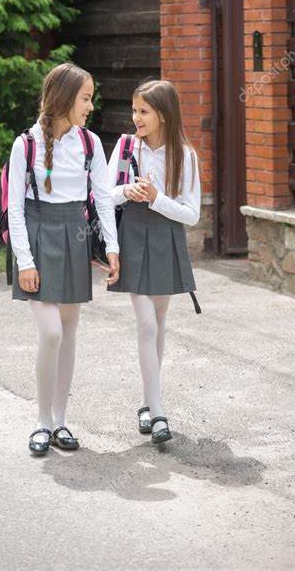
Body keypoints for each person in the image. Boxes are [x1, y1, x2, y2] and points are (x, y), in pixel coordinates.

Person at [8, 63, 120, 456]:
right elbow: (15, 208)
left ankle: (60, 421)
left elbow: (103, 197)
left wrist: (112, 246)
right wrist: (24, 260)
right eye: (86, 98)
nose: (90, 106)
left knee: (69, 333)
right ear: (64, 98)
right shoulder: (26, 143)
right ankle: (41, 421)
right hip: (38, 239)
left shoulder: (90, 144)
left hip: (74, 237)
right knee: (51, 333)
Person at [107, 80, 201, 444]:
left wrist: (156, 197)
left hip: (166, 240)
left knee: (158, 325)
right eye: (134, 111)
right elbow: (103, 193)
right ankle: (158, 413)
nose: (136, 118)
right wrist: (126, 191)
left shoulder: (185, 156)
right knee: (146, 325)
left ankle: (147, 402)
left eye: (143, 111)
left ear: (163, 114)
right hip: (132, 237)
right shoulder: (127, 146)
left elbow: (191, 214)